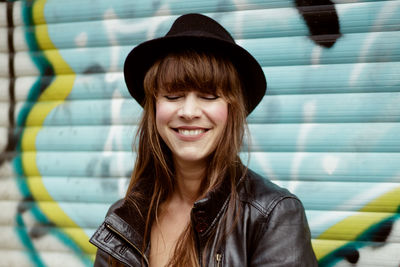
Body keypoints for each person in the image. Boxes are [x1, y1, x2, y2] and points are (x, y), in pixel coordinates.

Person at [90, 13, 318, 267]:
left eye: (208, 96)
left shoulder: (273, 216)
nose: (188, 111)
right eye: (173, 95)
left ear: (231, 111)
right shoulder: (124, 218)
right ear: (154, 108)